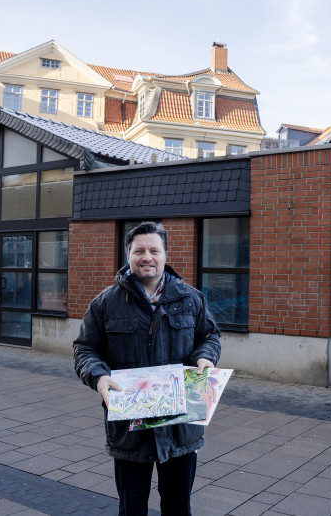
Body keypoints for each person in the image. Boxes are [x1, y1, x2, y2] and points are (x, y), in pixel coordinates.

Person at [74, 221, 221, 516]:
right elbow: (85, 349)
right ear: (128, 254)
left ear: (165, 254)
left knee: (178, 506)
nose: (147, 257)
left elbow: (209, 336)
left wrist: (206, 357)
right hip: (130, 428)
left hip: (180, 424)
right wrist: (99, 377)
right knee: (132, 507)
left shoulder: (191, 298)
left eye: (154, 250)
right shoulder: (105, 303)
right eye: (139, 250)